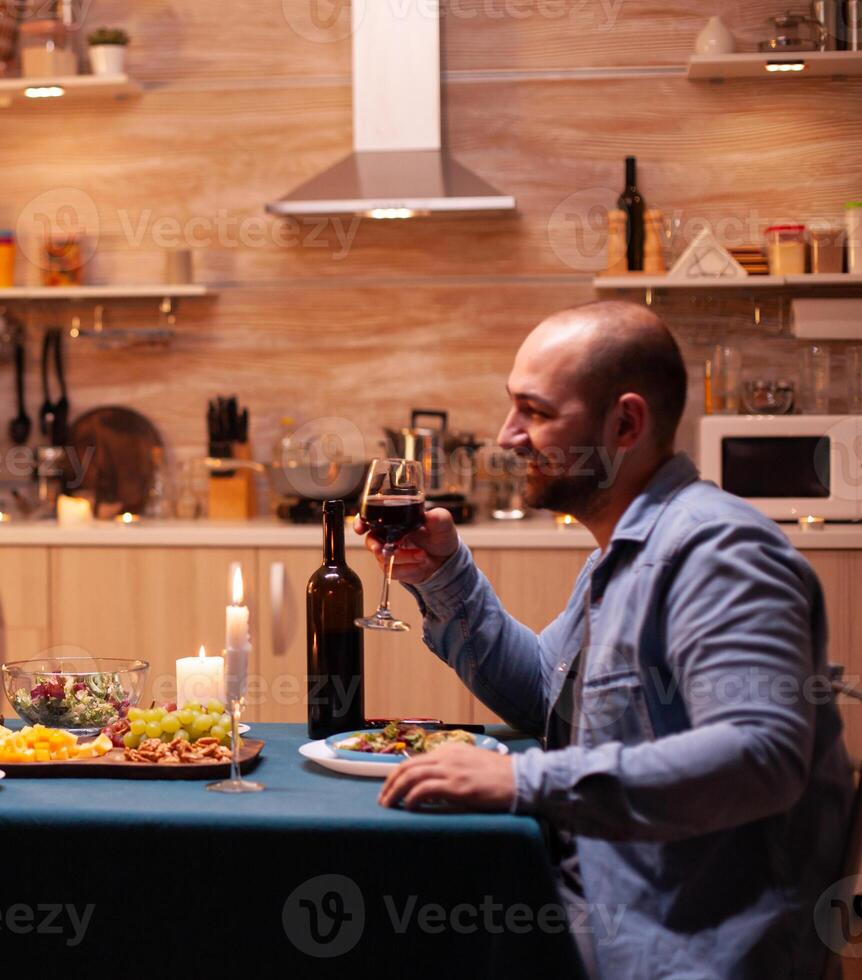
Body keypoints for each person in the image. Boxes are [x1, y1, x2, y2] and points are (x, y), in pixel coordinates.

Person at [364, 300, 852, 978]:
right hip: (594, 904)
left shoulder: (717, 550)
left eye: (534, 412)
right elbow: (548, 696)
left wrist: (519, 778)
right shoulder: (621, 552)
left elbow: (760, 755)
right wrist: (444, 574)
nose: (508, 436)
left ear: (624, 423)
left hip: (681, 949)